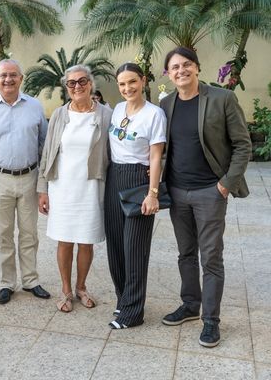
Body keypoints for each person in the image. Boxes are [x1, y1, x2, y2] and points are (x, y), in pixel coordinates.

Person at [160, 47, 251, 347]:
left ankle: (211, 320)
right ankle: (190, 305)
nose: (181, 70)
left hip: (209, 192)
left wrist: (224, 185)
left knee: (211, 257)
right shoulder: (166, 103)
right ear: (168, 73)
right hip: (177, 191)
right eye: (174, 67)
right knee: (185, 253)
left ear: (197, 67)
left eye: (186, 64)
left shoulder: (222, 99)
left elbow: (242, 145)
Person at [0, 59, 51, 304]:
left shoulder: (35, 107)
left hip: (29, 177)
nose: (8, 80)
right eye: (3, 76)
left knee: (29, 233)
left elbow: (45, 147)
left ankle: (31, 280)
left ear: (21, 78)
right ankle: (7, 282)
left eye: (13, 75)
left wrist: (43, 186)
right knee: (4, 234)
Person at [37, 65, 112, 312]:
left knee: (86, 240)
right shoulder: (59, 114)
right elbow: (47, 152)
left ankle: (81, 287)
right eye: (71, 83)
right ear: (66, 87)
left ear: (91, 84)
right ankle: (66, 290)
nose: (77, 87)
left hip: (91, 187)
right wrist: (43, 189)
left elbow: (117, 149)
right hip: (62, 187)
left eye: (82, 81)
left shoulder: (105, 114)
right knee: (65, 240)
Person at [104, 62, 166, 329]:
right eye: (122, 84)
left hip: (139, 179)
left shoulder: (154, 114)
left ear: (143, 81)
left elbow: (156, 156)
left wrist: (153, 193)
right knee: (116, 245)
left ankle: (133, 312)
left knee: (135, 248)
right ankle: (123, 299)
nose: (127, 88)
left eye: (132, 82)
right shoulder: (118, 109)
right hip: (114, 177)